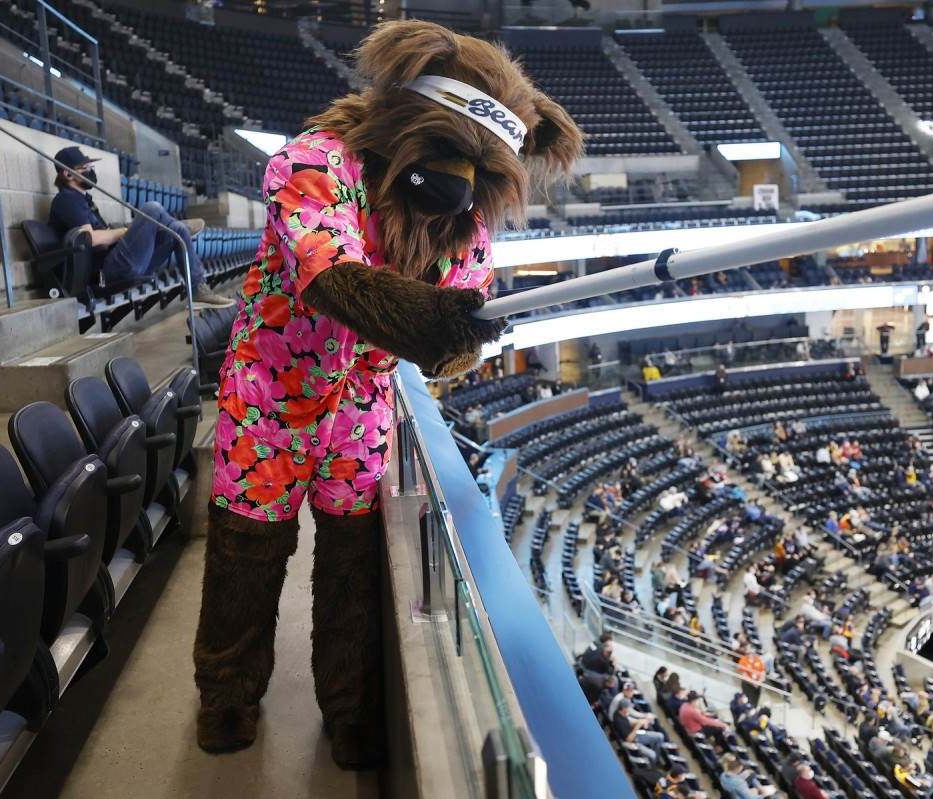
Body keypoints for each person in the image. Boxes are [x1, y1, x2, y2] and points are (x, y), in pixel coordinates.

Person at [192, 20, 582, 768]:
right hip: (268, 397)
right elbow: (329, 271)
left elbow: (456, 322)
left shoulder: (464, 219)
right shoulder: (314, 161)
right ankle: (227, 692)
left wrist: (458, 332)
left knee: (352, 566)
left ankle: (351, 707)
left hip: (363, 411)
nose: (454, 190)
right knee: (246, 551)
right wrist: (432, 320)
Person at [48, 146, 235, 308]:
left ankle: (197, 288)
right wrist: (125, 232)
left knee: (177, 230)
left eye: (91, 167)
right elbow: (91, 239)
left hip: (120, 264)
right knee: (151, 208)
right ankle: (167, 224)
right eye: (85, 168)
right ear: (68, 174)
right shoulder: (67, 200)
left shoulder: (83, 200)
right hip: (107, 271)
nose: (91, 171)